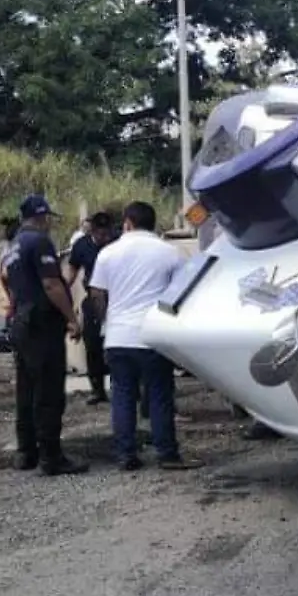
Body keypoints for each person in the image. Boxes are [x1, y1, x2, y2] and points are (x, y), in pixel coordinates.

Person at [88, 201, 201, 471]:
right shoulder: (171, 253)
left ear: (127, 223)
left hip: (118, 337)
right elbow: (185, 292)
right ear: (153, 223)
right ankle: (167, 454)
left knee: (123, 395)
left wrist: (107, 320)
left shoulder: (107, 253)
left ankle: (126, 455)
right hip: (154, 335)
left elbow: (96, 293)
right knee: (160, 394)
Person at [4, 194, 88, 475]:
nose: (50, 223)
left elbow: (6, 278)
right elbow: (52, 284)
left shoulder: (14, 244)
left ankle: (26, 452)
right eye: (48, 218)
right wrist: (72, 318)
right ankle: (51, 456)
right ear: (42, 217)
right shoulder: (39, 241)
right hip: (41, 324)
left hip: (22, 321)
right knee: (49, 391)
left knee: (26, 389)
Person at [64, 212, 115, 406]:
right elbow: (71, 273)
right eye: (100, 234)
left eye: (107, 233)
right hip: (93, 299)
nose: (104, 238)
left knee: (115, 347)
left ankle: (127, 388)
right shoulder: (82, 246)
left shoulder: (118, 243)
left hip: (116, 297)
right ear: (93, 231)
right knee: (92, 346)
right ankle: (98, 389)